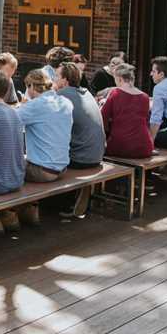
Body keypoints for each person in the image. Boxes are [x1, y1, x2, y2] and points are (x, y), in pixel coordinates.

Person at [55, 61, 106, 218]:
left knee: (44, 161)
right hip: (98, 154)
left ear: (65, 80)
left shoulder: (62, 96)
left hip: (81, 158)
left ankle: (65, 204)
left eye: (56, 76)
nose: (54, 79)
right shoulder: (86, 93)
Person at [18, 69, 73, 182]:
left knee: (1, 163)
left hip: (41, 171)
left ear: (32, 86)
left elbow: (7, 120)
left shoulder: (34, 106)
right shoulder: (66, 102)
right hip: (62, 169)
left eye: (27, 87)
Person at [101, 62, 153, 159]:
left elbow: (102, 118)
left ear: (119, 79)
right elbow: (146, 121)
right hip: (144, 146)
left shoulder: (115, 93)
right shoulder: (145, 97)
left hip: (121, 146)